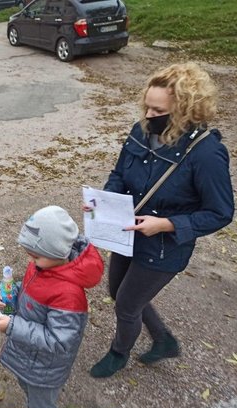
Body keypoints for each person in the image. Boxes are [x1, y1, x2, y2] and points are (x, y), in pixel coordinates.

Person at [87, 62, 234, 378]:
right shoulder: (142, 131)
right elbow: (119, 174)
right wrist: (104, 203)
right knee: (117, 290)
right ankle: (165, 340)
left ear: (184, 110)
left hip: (164, 248)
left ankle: (118, 353)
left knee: (126, 304)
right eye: (147, 107)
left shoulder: (206, 153)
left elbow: (221, 212)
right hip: (129, 234)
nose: (148, 116)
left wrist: (166, 225)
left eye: (158, 110)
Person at [0, 206, 104, 408]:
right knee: (30, 392)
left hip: (45, 368)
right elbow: (32, 289)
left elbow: (59, 341)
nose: (30, 260)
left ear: (57, 253)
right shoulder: (43, 266)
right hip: (31, 359)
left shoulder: (69, 295)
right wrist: (11, 294)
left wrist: (13, 326)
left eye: (35, 256)